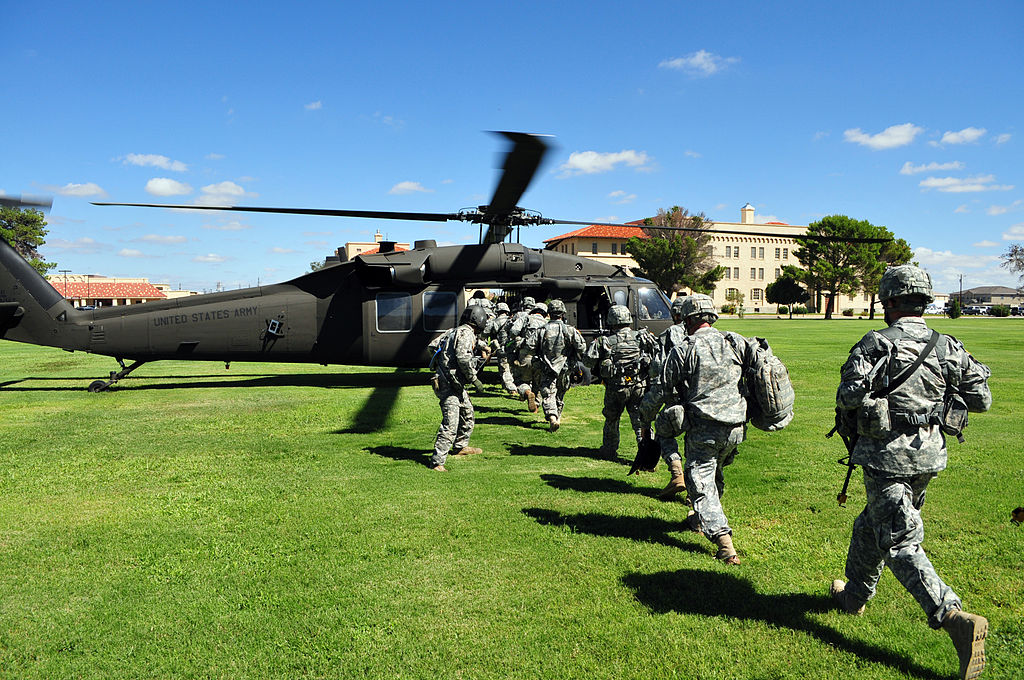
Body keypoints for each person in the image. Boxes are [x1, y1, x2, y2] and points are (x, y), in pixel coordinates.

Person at [830, 265, 992, 680]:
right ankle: (854, 596)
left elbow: (848, 396)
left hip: (886, 458)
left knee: (900, 541)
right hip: (929, 456)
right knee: (871, 524)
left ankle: (952, 617)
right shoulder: (946, 345)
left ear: (889, 300)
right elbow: (982, 399)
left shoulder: (876, 343)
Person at [657, 294, 749, 565]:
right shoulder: (735, 342)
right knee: (714, 472)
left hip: (705, 429)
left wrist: (649, 415)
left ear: (687, 320)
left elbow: (663, 389)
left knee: (701, 481)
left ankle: (724, 544)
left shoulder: (685, 348)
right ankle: (699, 519)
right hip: (736, 428)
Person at [585, 304, 656, 459]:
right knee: (641, 421)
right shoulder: (641, 337)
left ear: (611, 320)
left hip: (616, 388)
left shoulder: (605, 341)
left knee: (612, 419)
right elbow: (656, 355)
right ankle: (647, 455)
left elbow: (588, 362)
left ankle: (609, 451)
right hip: (639, 386)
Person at [640, 296, 694, 496]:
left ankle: (677, 473)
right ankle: (695, 495)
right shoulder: (711, 337)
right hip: (706, 404)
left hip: (676, 402)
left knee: (663, 432)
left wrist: (646, 418)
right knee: (700, 446)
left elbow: (659, 377)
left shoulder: (668, 336)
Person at [428, 305, 489, 472]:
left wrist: (442, 362)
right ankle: (437, 462)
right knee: (451, 423)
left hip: (451, 382)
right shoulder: (466, 333)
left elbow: (432, 346)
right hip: (449, 385)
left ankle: (461, 446)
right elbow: (463, 358)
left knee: (468, 414)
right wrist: (474, 379)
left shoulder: (453, 331)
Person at [533, 298, 586, 431]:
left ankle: (552, 417)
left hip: (546, 367)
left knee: (548, 393)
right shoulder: (570, 330)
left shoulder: (541, 330)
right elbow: (582, 347)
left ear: (549, 313)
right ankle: (558, 416)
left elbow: (530, 346)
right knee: (560, 392)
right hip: (565, 367)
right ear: (563, 313)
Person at [509, 300, 548, 412]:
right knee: (538, 383)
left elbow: (513, 331)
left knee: (520, 381)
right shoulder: (547, 323)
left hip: (525, 356)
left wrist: (520, 339)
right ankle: (535, 407)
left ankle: (527, 392)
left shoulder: (526, 318)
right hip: (540, 358)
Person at [490, 301, 518, 395]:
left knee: (504, 369)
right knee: (513, 368)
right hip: (513, 347)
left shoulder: (494, 322)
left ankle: (511, 388)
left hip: (501, 348)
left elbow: (487, 334)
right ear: (507, 311)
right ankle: (511, 385)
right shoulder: (512, 320)